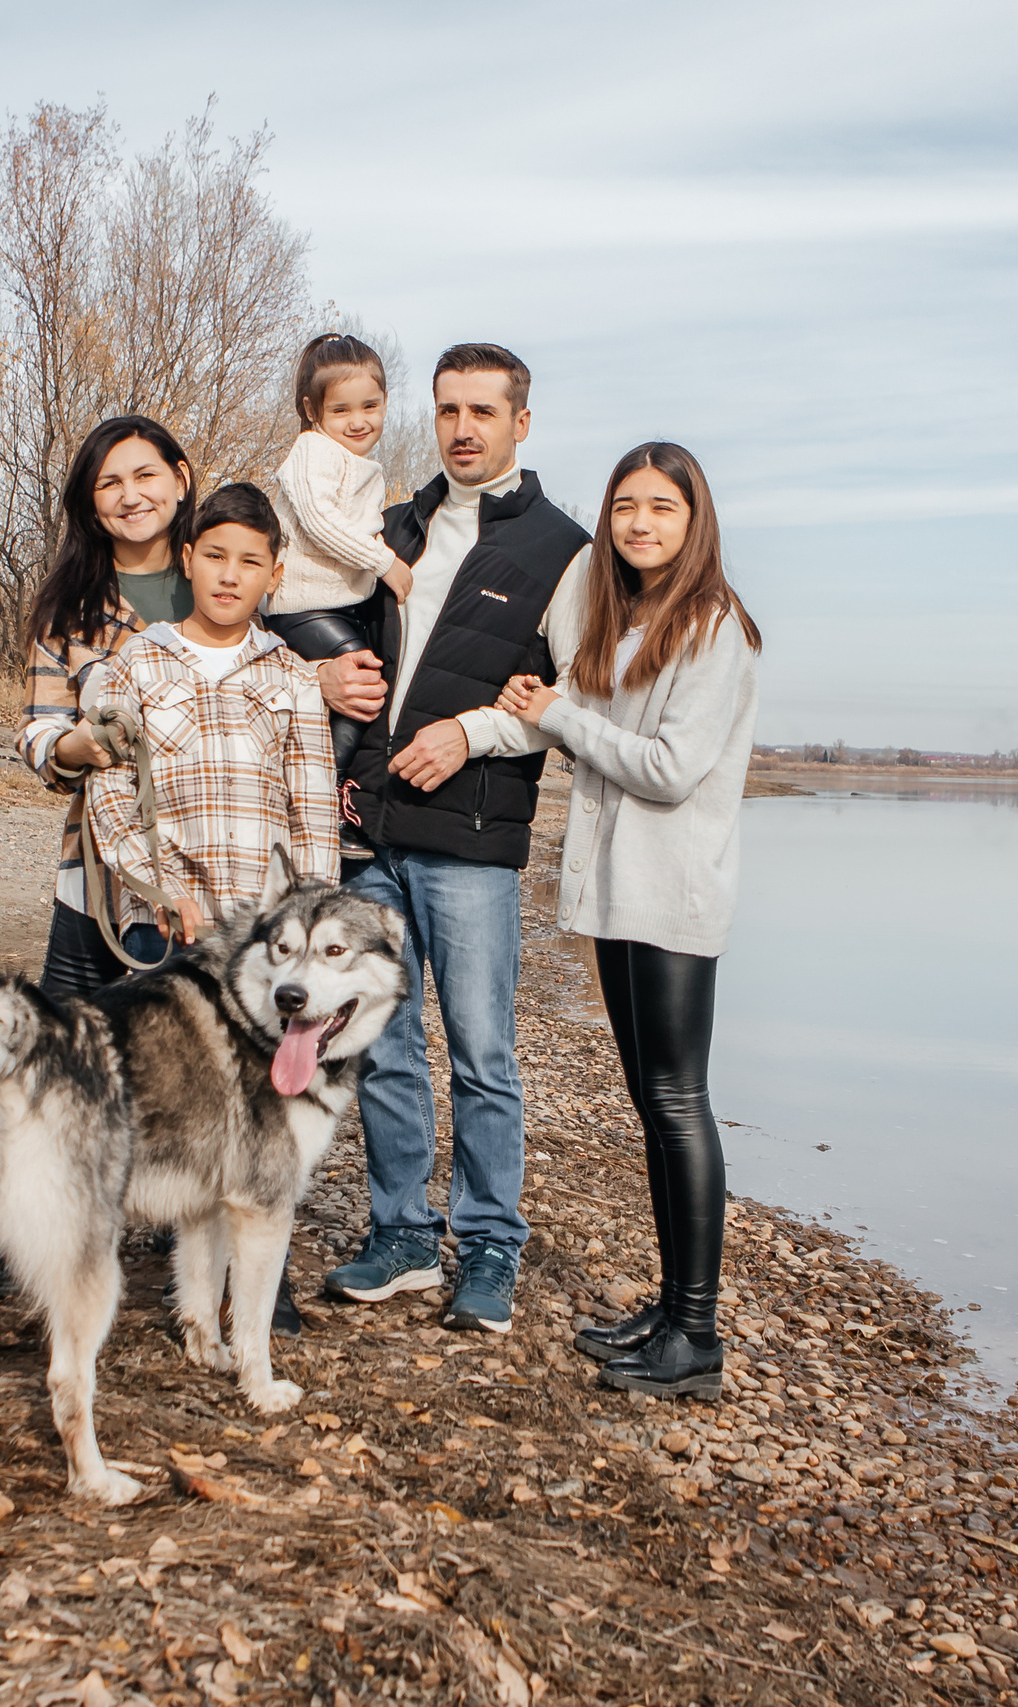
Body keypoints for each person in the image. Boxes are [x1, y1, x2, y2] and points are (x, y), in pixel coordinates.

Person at [314, 343, 592, 1336]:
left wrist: (471, 731)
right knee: (382, 1045)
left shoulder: (563, 548)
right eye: (447, 410)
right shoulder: (395, 527)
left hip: (472, 841)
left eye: (483, 410)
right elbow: (328, 639)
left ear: (522, 421)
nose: (463, 428)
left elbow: (574, 702)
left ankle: (488, 1248)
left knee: (481, 1055)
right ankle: (400, 1234)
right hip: (374, 836)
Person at [494, 442, 760, 1398]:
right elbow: (580, 669)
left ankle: (697, 1334)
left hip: (675, 893)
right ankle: (671, 1308)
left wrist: (562, 715)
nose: (640, 523)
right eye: (625, 507)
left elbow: (668, 768)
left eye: (662, 508)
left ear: (697, 522)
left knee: (679, 1101)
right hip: (618, 892)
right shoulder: (627, 616)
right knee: (653, 1103)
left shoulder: (713, 625)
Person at [79, 482, 341, 949]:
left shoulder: (295, 677)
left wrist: (306, 921)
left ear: (274, 575)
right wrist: (159, 889)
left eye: (250, 562)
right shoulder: (139, 660)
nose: (230, 576)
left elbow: (314, 814)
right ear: (187, 559)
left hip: (262, 933)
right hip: (162, 921)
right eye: (215, 557)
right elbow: (111, 789)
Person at [17, 415, 199, 999]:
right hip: (99, 861)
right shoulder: (67, 608)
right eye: (108, 483)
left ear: (181, 479)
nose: (130, 496)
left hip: (210, 861)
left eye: (145, 475)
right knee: (66, 1044)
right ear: (90, 503)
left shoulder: (229, 578)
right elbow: (37, 727)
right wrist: (69, 747)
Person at [262, 333, 414, 852]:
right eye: (342, 409)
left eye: (370, 406)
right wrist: (384, 562)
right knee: (359, 672)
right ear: (312, 410)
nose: (359, 420)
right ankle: (318, 800)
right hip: (298, 604)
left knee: (352, 693)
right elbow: (320, 521)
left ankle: (325, 793)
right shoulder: (312, 452)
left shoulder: (357, 461)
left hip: (333, 602)